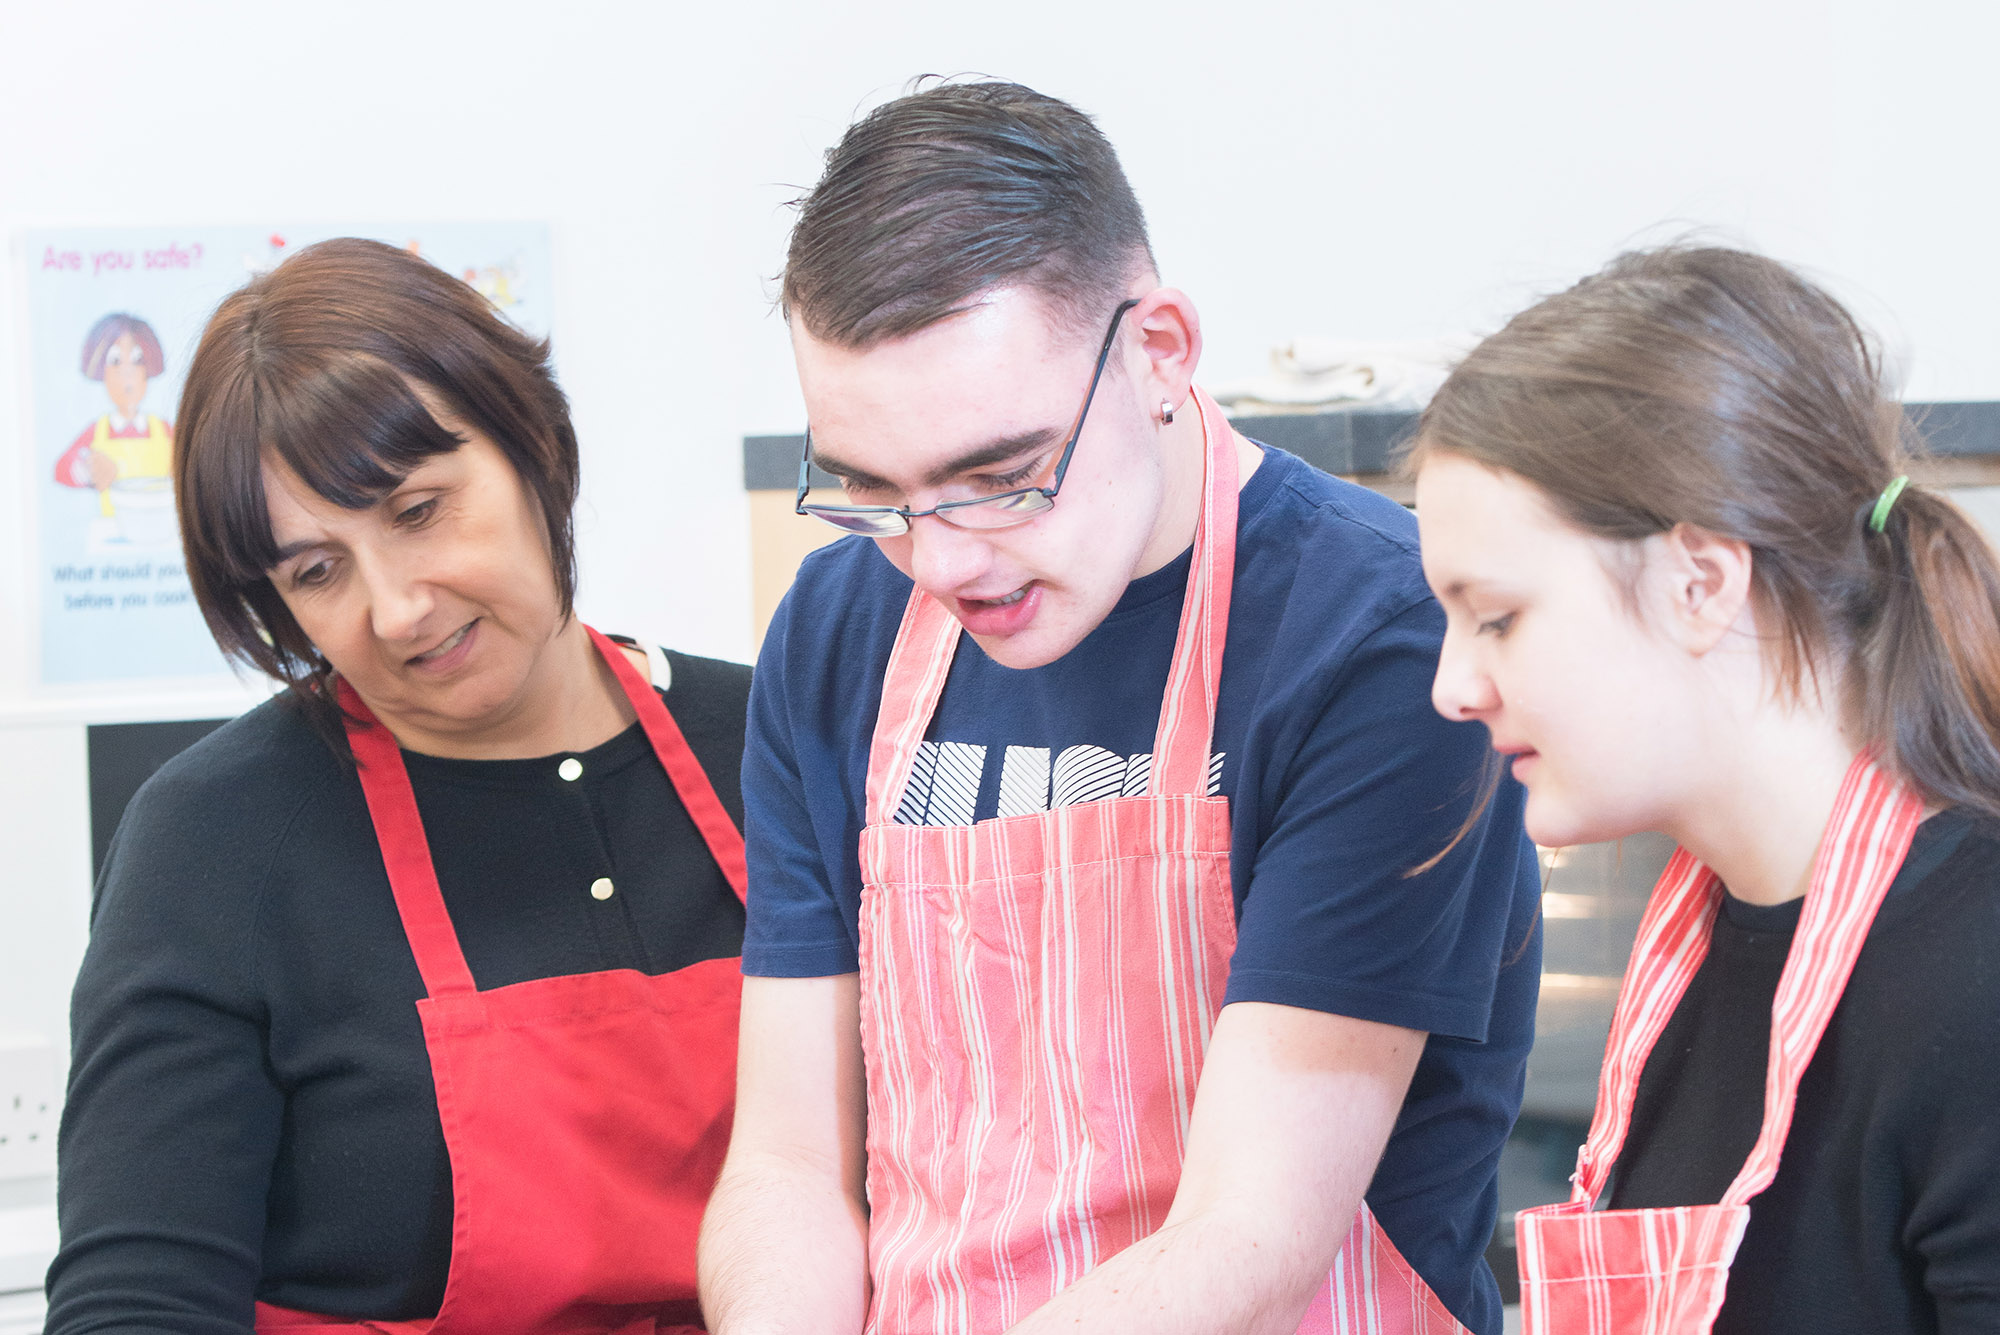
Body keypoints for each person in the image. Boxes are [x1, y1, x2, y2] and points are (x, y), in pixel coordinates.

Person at [698, 80, 1541, 1335]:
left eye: (998, 478)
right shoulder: (836, 631)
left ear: (1158, 352)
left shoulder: (1378, 638)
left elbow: (1251, 1234)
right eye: (873, 492)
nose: (941, 563)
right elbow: (786, 1166)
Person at [46, 237, 750, 1335]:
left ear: (534, 448)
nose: (396, 609)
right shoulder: (218, 835)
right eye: (316, 571)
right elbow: (137, 1302)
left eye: (418, 510)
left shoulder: (775, 743)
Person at [1409, 245, 2000, 1334]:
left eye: (1494, 617)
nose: (1453, 686)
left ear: (1699, 581)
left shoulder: (1972, 982)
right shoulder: (1693, 951)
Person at [52, 311, 174, 518]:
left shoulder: (164, 429)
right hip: (112, 531)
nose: (127, 372)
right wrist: (89, 470)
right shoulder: (97, 430)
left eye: (137, 360)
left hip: (160, 529)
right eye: (115, 361)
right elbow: (61, 470)